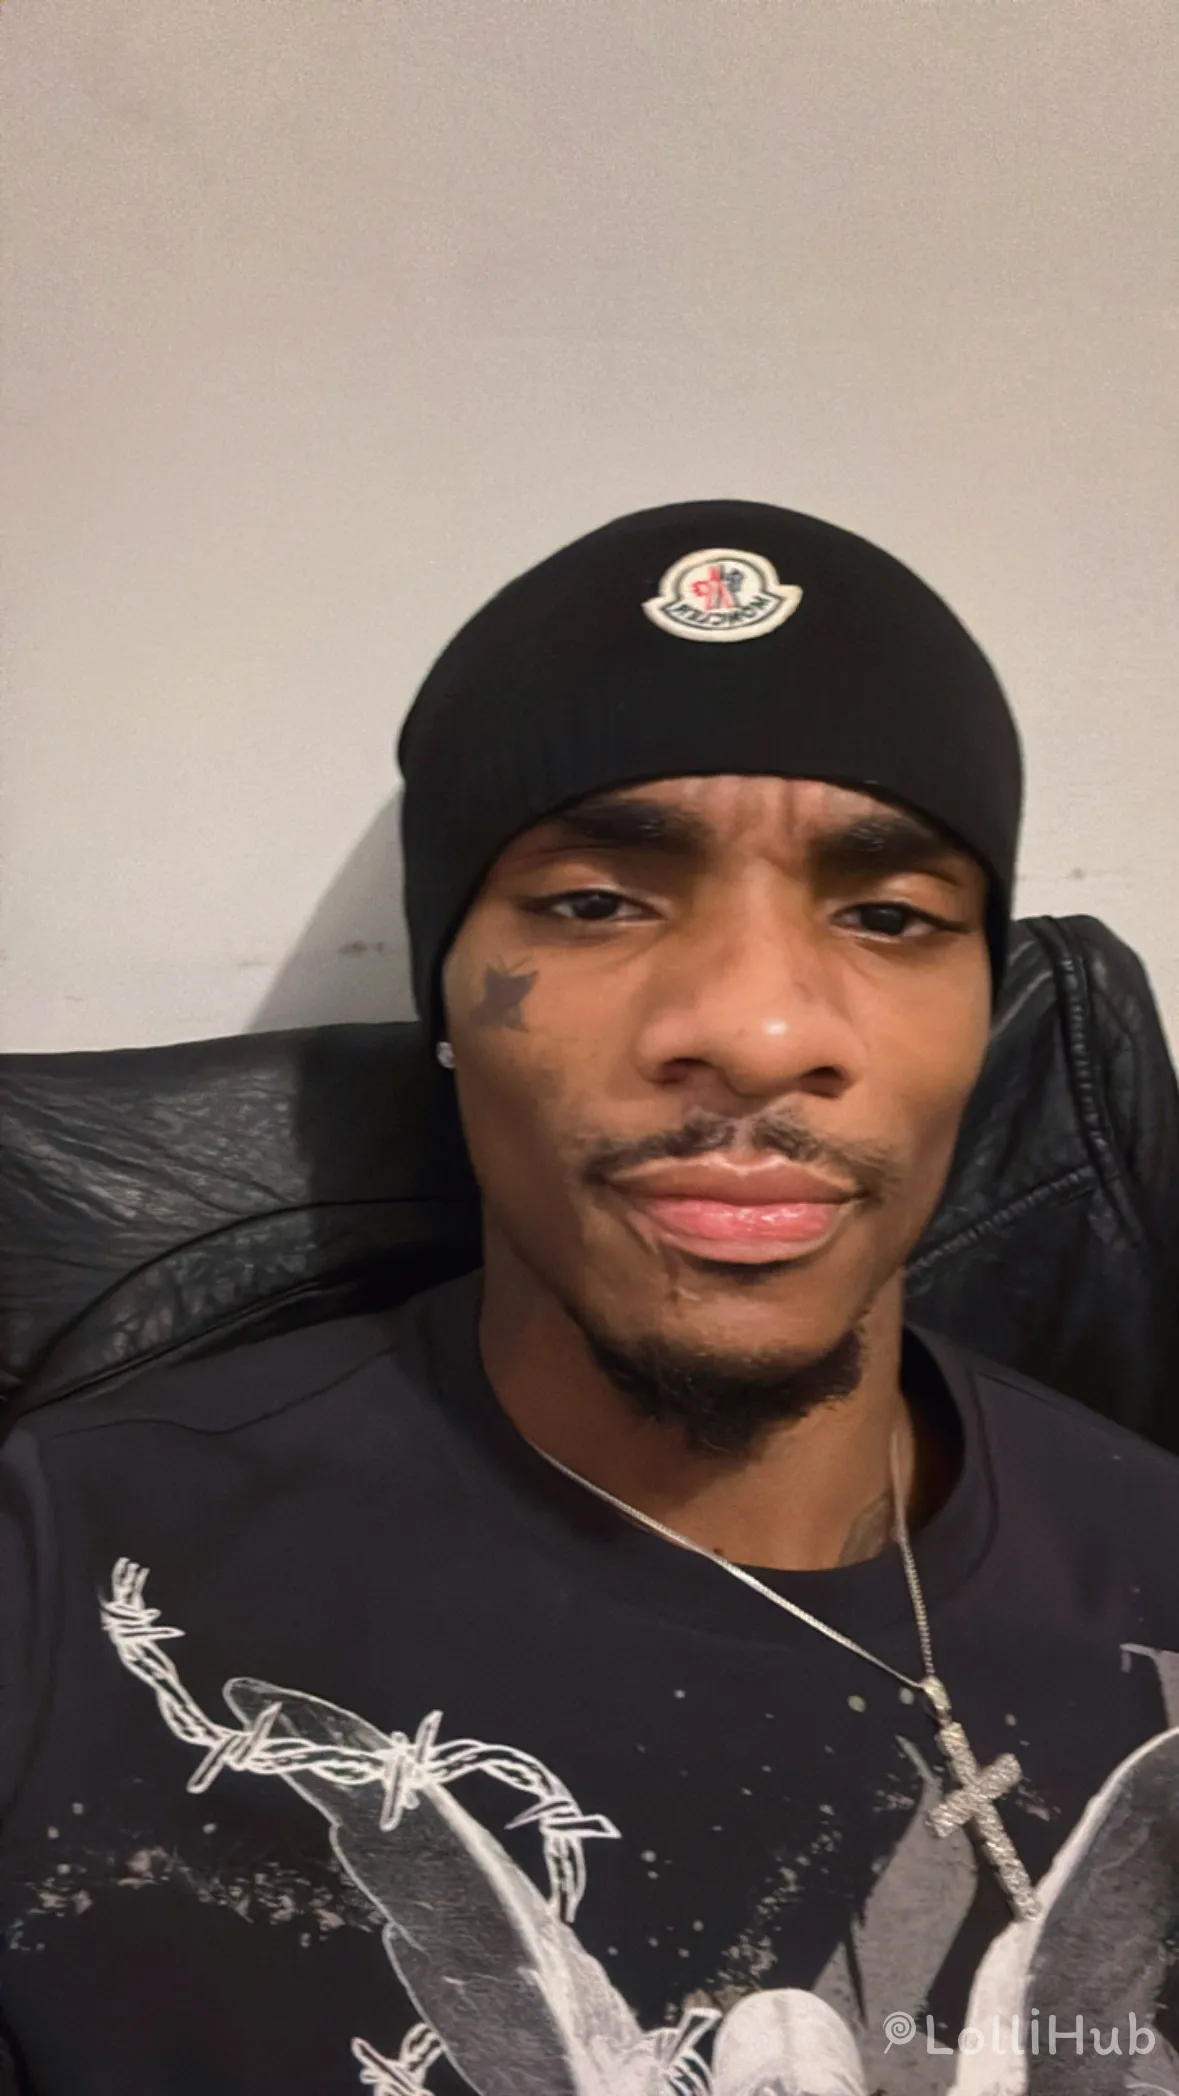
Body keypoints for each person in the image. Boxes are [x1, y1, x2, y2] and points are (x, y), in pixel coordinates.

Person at [1, 500, 1177, 2096]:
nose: (757, 1033)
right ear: (444, 996)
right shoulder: (67, 1586)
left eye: (890, 916)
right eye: (595, 903)